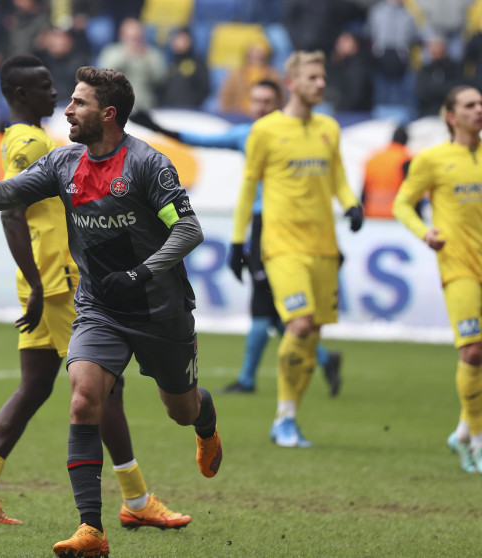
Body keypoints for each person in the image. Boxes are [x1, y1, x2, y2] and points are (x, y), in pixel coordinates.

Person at [0, 65, 222, 558]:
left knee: (181, 409)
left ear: (107, 114)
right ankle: (91, 530)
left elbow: (188, 231)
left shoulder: (148, 165)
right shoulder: (63, 164)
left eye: (79, 103)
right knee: (84, 398)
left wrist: (141, 273)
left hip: (159, 307)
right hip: (99, 306)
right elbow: (0, 198)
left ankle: (205, 420)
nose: (67, 108)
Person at [130, 80, 343, 396]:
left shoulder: (303, 134)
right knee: (269, 305)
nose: (260, 107)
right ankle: (317, 360)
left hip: (290, 229)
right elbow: (200, 140)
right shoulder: (249, 135)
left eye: (267, 101)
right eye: (255, 101)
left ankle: (255, 377)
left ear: (281, 101)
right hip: (262, 226)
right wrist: (160, 128)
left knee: (267, 306)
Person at [229, 51, 364, 448]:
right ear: (292, 83)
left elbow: (338, 175)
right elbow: (248, 189)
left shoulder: (329, 127)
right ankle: (284, 418)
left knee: (312, 332)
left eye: (323, 77)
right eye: (313, 78)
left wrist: (351, 204)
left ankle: (288, 418)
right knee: (300, 323)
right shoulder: (265, 131)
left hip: (324, 245)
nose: (321, 84)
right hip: (282, 244)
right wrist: (238, 241)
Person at [393, 85, 482, 473]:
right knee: (473, 351)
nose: (479, 109)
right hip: (458, 266)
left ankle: (462, 432)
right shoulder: (432, 160)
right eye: (469, 104)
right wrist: (425, 232)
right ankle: (477, 442)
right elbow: (402, 203)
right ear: (451, 115)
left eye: (480, 103)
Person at [362, 125, 412, 219]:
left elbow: (364, 191)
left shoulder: (373, 158)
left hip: (372, 214)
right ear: (406, 141)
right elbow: (411, 192)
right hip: (395, 215)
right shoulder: (405, 159)